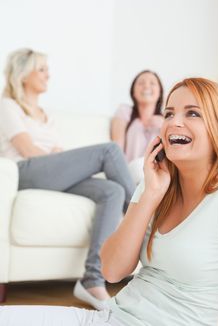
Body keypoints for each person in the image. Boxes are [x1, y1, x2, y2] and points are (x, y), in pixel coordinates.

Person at [1, 77, 218, 326]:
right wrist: (150, 196)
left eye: (193, 113)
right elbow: (112, 271)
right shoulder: (155, 182)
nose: (174, 122)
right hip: (111, 318)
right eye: (168, 114)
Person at [0, 48, 135, 311]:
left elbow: (58, 153)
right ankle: (145, 225)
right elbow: (28, 150)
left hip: (47, 173)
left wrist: (62, 160)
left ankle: (92, 279)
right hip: (24, 172)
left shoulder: (45, 116)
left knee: (112, 191)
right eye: (41, 69)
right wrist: (59, 159)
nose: (47, 74)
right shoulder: (8, 105)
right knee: (110, 151)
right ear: (23, 74)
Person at [111, 70, 164, 184]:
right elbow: (117, 149)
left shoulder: (167, 120)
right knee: (139, 167)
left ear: (160, 92)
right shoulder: (125, 111)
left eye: (152, 83)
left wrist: (164, 125)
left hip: (156, 174)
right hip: (130, 172)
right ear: (133, 92)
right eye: (141, 83)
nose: (146, 86)